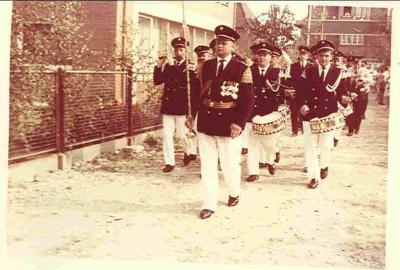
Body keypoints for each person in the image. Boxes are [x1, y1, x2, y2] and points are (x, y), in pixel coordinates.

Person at [188, 25, 254, 219]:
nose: (219, 46)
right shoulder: (206, 66)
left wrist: (239, 123)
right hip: (207, 121)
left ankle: (234, 192)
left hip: (229, 122)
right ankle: (209, 203)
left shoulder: (242, 68)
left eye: (224, 42)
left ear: (233, 46)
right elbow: (195, 92)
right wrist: (191, 114)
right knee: (207, 166)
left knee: (229, 165)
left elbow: (248, 100)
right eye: (217, 42)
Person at [297, 39, 351, 189]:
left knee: (326, 146)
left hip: (328, 114)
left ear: (331, 56)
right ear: (316, 56)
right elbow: (300, 91)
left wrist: (345, 99)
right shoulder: (308, 71)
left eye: (327, 55)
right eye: (321, 55)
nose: (323, 58)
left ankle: (324, 165)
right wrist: (302, 104)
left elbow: (342, 93)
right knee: (310, 147)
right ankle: (313, 177)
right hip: (310, 114)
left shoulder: (338, 72)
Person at [153, 37, 198, 173]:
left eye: (181, 49)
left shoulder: (190, 66)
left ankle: (188, 151)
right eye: (176, 49)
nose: (178, 52)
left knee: (182, 134)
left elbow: (182, 80)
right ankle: (169, 162)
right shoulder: (169, 65)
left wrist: (171, 66)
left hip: (182, 107)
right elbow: (158, 81)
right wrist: (158, 66)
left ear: (186, 51)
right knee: (167, 135)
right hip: (168, 107)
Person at [246, 41, 282, 182]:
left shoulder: (276, 72)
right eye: (259, 55)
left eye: (265, 55)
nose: (262, 58)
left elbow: (280, 93)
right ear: (256, 56)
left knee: (269, 143)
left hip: (268, 113)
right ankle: (253, 171)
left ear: (270, 57)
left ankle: (270, 160)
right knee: (252, 144)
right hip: (252, 112)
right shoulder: (249, 71)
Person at [289, 46, 313, 136]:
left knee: (305, 110)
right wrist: (292, 90)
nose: (303, 56)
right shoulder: (293, 66)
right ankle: (294, 130)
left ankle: (304, 128)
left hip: (306, 92)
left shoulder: (311, 66)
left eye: (305, 54)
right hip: (295, 91)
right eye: (301, 54)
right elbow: (291, 79)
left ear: (308, 55)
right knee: (294, 111)